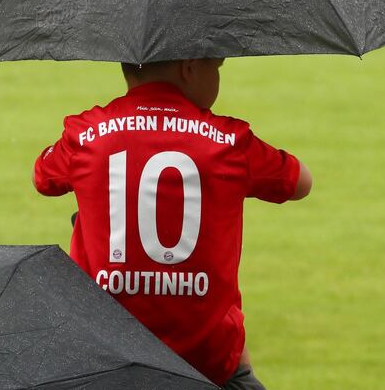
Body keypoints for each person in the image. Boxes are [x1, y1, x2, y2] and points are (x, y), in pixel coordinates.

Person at [33, 59, 312, 389]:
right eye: (217, 67)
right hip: (209, 365)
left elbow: (43, 177)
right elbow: (300, 182)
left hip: (107, 361)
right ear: (189, 69)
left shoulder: (87, 132)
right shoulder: (228, 142)